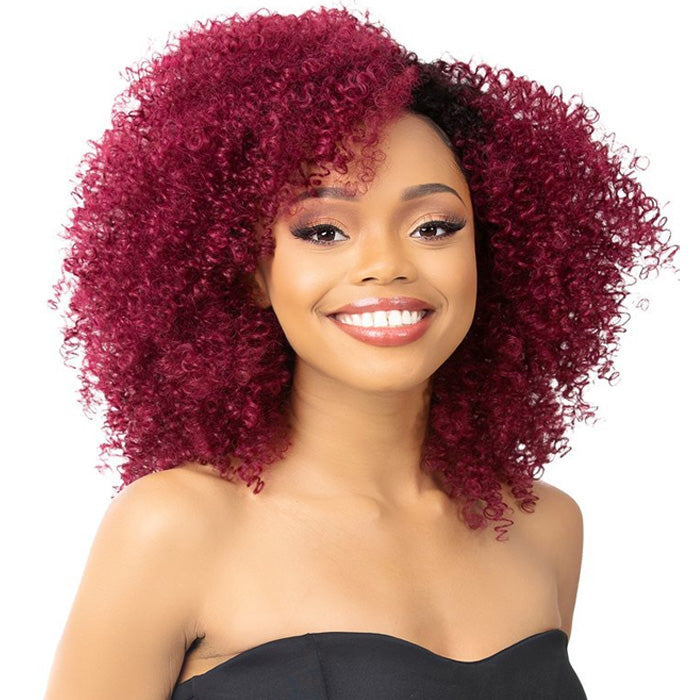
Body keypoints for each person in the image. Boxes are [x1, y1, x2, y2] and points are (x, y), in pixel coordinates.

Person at [44, 7, 676, 700]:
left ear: (492, 251)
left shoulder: (543, 528)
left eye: (433, 226)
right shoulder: (174, 529)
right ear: (252, 272)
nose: (386, 265)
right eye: (324, 231)